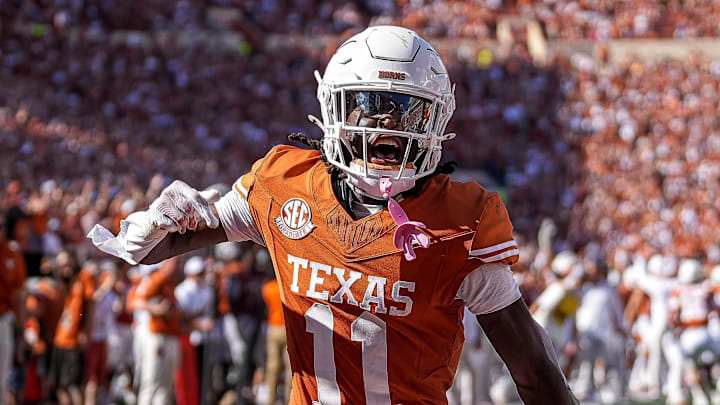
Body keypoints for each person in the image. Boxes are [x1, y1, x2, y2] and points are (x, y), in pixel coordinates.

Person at [89, 25, 578, 404]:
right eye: (372, 104)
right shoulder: (286, 184)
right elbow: (159, 247)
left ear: (437, 120)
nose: (388, 121)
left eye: (408, 109)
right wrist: (158, 220)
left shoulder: (459, 222)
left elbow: (531, 366)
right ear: (335, 107)